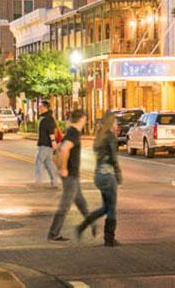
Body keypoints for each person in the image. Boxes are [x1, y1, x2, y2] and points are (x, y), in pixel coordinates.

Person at [78, 111, 122, 246]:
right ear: (111, 123)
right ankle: (109, 239)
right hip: (108, 175)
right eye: (115, 122)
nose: (117, 125)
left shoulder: (99, 136)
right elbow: (114, 158)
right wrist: (118, 173)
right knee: (112, 208)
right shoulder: (110, 137)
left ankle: (85, 224)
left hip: (98, 174)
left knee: (106, 207)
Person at [47, 109, 89, 242]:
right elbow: (64, 149)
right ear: (82, 119)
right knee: (64, 205)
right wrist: (63, 168)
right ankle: (53, 233)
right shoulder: (74, 133)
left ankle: (92, 224)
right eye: (85, 119)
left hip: (73, 175)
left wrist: (58, 165)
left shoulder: (70, 131)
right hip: (70, 175)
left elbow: (57, 149)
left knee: (80, 202)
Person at [35, 101, 59, 188]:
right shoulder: (46, 117)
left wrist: (53, 142)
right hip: (46, 144)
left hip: (44, 144)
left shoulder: (47, 118)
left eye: (40, 106)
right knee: (49, 163)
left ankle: (38, 182)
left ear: (45, 107)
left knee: (39, 162)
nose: (39, 108)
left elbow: (51, 131)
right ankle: (54, 181)